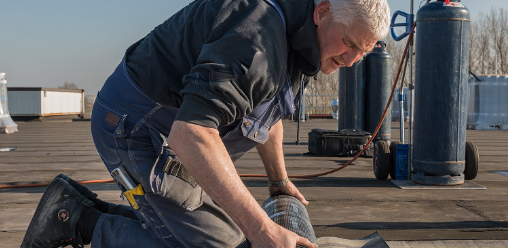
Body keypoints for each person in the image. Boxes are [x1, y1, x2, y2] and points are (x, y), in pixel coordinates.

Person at [21, 0, 390, 247]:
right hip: (134, 127)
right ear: (322, 10)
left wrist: (280, 182)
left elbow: (267, 113)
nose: (353, 60)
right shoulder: (258, 46)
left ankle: (80, 207)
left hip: (172, 136)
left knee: (228, 234)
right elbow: (192, 133)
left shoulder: (305, 40)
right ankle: (77, 220)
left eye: (364, 50)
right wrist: (262, 228)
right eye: (348, 44)